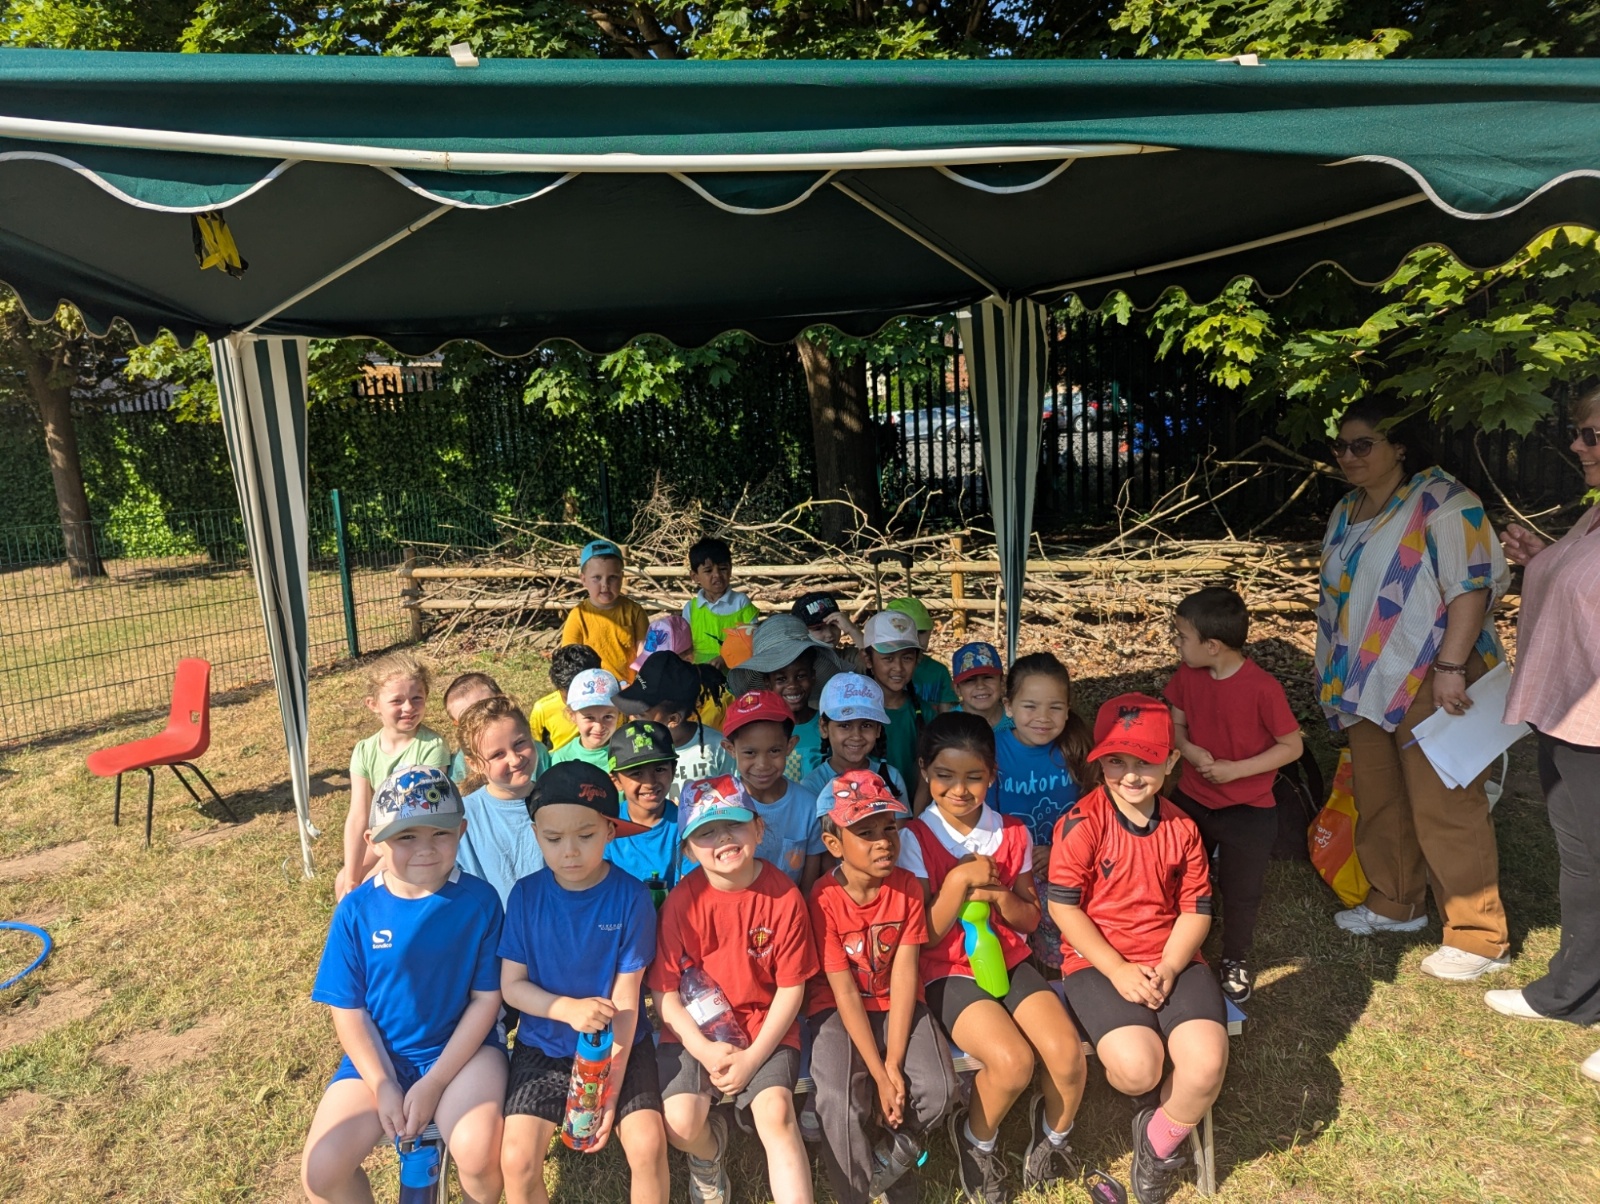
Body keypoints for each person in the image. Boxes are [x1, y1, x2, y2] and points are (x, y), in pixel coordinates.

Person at [1314, 399, 1513, 981]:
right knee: (1379, 795)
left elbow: (1471, 588)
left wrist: (1452, 666)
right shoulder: (1347, 509)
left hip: (1433, 671)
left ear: (1400, 446)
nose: (1348, 456)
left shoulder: (1446, 501)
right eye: (1341, 446)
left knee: (1446, 802)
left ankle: (1479, 936)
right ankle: (1396, 902)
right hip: (1362, 677)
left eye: (1363, 444)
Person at [898, 713, 1086, 1204]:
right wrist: (960, 881)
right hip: (947, 970)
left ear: (992, 775)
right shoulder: (915, 839)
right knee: (1012, 1062)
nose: (959, 790)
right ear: (924, 771)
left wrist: (999, 895)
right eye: (945, 775)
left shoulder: (1013, 833)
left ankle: (1053, 1139)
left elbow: (1030, 919)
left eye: (974, 777)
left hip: (1011, 959)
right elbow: (924, 934)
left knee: (1066, 1054)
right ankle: (976, 1140)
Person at [1048, 694, 1228, 1204]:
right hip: (1097, 961)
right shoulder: (1081, 824)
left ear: (1171, 762)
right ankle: (1151, 1105)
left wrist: (1170, 965)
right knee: (1137, 1070)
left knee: (1205, 1067)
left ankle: (1156, 1144)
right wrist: (1118, 970)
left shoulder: (1183, 828)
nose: (1130, 775)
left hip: (1173, 956)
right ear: (1099, 761)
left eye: (1146, 761)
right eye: (1116, 761)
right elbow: (1064, 908)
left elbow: (1195, 910)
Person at [302, 767, 506, 1204]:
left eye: (440, 833)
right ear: (374, 841)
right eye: (406, 836)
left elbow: (486, 999)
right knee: (321, 1173)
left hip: (465, 1054)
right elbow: (349, 1008)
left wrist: (435, 1082)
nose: (425, 849)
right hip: (382, 1058)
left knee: (477, 1152)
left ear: (461, 831)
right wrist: (381, 1083)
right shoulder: (356, 910)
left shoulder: (480, 901)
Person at [1489, 388, 1600, 1083]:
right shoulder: (1594, 516)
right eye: (1580, 432)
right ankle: (1572, 993)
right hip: (1573, 719)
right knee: (1584, 865)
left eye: (1594, 435)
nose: (1579, 445)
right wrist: (1544, 558)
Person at [497, 762, 668, 1204]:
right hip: (542, 1045)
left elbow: (627, 996)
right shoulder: (525, 895)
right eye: (553, 839)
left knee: (648, 1146)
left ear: (610, 830)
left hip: (617, 1046)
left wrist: (609, 1087)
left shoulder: (631, 897)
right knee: (516, 1160)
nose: (569, 852)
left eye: (586, 835)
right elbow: (512, 986)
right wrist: (566, 1010)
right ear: (536, 834)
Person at [649, 778, 821, 1204]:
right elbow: (665, 995)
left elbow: (791, 989)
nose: (723, 837)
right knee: (680, 1124)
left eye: (734, 824)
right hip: (696, 1029)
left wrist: (753, 1059)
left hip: (764, 1024)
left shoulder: (784, 898)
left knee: (777, 1115)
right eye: (706, 832)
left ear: (759, 829)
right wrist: (704, 1050)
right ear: (689, 850)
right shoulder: (680, 904)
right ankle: (710, 1153)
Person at [809, 770, 958, 1204]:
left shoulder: (907, 887)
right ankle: (854, 1192)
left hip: (896, 1002)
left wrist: (892, 1066)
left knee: (940, 1090)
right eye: (865, 833)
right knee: (839, 1099)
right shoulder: (823, 898)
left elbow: (905, 973)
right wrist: (879, 1075)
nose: (883, 843)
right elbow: (843, 991)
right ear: (834, 844)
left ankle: (892, 1155)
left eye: (889, 828)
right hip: (838, 1008)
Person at [1164, 586, 1304, 1004]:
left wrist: (1235, 771)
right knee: (1173, 874)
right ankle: (1170, 943)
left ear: (1212, 645)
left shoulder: (1263, 688)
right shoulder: (1187, 675)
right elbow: (1175, 725)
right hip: (1191, 799)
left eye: (1182, 637)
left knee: (1242, 890)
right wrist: (1189, 751)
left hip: (1250, 810)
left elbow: (1292, 746)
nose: (1177, 644)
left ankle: (1234, 958)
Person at [994, 652, 1091, 972]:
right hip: (1014, 867)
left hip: (1071, 861)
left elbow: (1093, 812)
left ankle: (1070, 974)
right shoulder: (992, 751)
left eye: (1055, 707)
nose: (1043, 717)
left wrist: (1060, 853)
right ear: (1009, 706)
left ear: (1068, 709)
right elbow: (985, 819)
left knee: (1070, 938)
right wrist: (1020, 861)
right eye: (1030, 706)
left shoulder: (1076, 747)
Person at [337, 651, 450, 901]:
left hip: (416, 838)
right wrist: (351, 877)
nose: (408, 707)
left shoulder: (432, 747)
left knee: (370, 885)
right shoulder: (364, 750)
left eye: (416, 698)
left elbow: (424, 813)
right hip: (382, 835)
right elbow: (358, 816)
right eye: (397, 701)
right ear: (373, 705)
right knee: (343, 882)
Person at [708, 692, 823, 890]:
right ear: (730, 749)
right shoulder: (718, 807)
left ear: (790, 746)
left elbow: (808, 888)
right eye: (750, 753)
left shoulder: (809, 807)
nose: (762, 764)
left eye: (774, 751)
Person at [727, 615, 846, 784]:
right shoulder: (756, 731)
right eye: (781, 679)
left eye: (801, 676)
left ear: (813, 676)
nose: (792, 686)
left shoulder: (831, 725)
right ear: (767, 683)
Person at [454, 695, 547, 906]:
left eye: (520, 743)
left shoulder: (562, 802)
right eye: (497, 754)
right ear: (475, 764)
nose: (515, 759)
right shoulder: (462, 818)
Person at [616, 650, 734, 800]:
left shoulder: (719, 748)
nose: (632, 718)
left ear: (673, 719)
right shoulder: (632, 747)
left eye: (641, 714)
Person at [800, 672, 910, 809]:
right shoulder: (812, 786)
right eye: (845, 725)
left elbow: (899, 822)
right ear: (824, 728)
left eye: (866, 725)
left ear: (878, 729)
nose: (857, 736)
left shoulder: (892, 778)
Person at [606, 720, 684, 903]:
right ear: (616, 781)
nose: (650, 782)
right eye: (636, 773)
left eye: (659, 769)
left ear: (673, 770)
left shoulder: (686, 825)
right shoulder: (606, 826)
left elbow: (691, 888)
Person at [862, 611, 935, 803]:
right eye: (888, 658)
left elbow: (927, 777)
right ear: (868, 659)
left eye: (907, 658)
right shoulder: (856, 713)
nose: (899, 667)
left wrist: (915, 819)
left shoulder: (924, 713)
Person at [561, 539, 649, 684]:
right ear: (583, 579)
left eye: (612, 577)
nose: (605, 585)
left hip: (628, 689)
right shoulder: (578, 616)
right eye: (597, 578)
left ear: (621, 578)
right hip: (590, 690)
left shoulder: (635, 612)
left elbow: (644, 656)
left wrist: (640, 687)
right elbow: (569, 660)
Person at [682, 536, 761, 664]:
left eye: (723, 569)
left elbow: (753, 638)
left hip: (736, 671)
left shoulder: (741, 602)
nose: (717, 575)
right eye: (708, 570)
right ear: (695, 576)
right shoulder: (690, 608)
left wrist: (726, 657)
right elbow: (685, 646)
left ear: (730, 570)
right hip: (700, 673)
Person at [886, 597, 958, 718]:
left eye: (921, 632)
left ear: (930, 631)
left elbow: (948, 720)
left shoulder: (938, 672)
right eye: (908, 632)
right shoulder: (878, 670)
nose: (915, 638)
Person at [530, 644, 601, 754]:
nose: (576, 706)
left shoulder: (610, 704)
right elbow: (535, 750)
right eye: (568, 699)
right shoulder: (542, 709)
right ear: (558, 687)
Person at [443, 671, 510, 786]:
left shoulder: (529, 748)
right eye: (468, 719)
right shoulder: (461, 762)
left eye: (489, 708)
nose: (482, 721)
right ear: (458, 726)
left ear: (506, 701)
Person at [547, 668, 622, 771]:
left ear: (619, 714)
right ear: (572, 715)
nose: (599, 727)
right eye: (589, 718)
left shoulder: (630, 751)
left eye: (608, 717)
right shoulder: (562, 759)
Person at [951, 641, 1008, 730]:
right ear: (957, 688)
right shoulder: (948, 726)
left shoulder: (1017, 719)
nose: (980, 686)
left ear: (1002, 682)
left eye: (988, 677)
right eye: (970, 680)